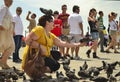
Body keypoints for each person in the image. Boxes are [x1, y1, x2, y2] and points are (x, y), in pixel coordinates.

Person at [21, 10, 87, 76]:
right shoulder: (39, 29)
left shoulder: (50, 35)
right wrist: (40, 46)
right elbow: (27, 40)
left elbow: (63, 43)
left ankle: (40, 70)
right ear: (47, 23)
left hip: (42, 57)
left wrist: (78, 44)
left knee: (57, 59)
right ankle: (33, 70)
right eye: (52, 21)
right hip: (32, 58)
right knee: (53, 63)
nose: (54, 23)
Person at [0, 0, 15, 69]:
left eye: (12, 1)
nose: (11, 2)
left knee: (9, 46)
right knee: (11, 46)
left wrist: (13, 30)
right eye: (10, 0)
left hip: (7, 31)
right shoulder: (4, 8)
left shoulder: (7, 9)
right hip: (4, 30)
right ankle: (3, 62)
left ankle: (4, 62)